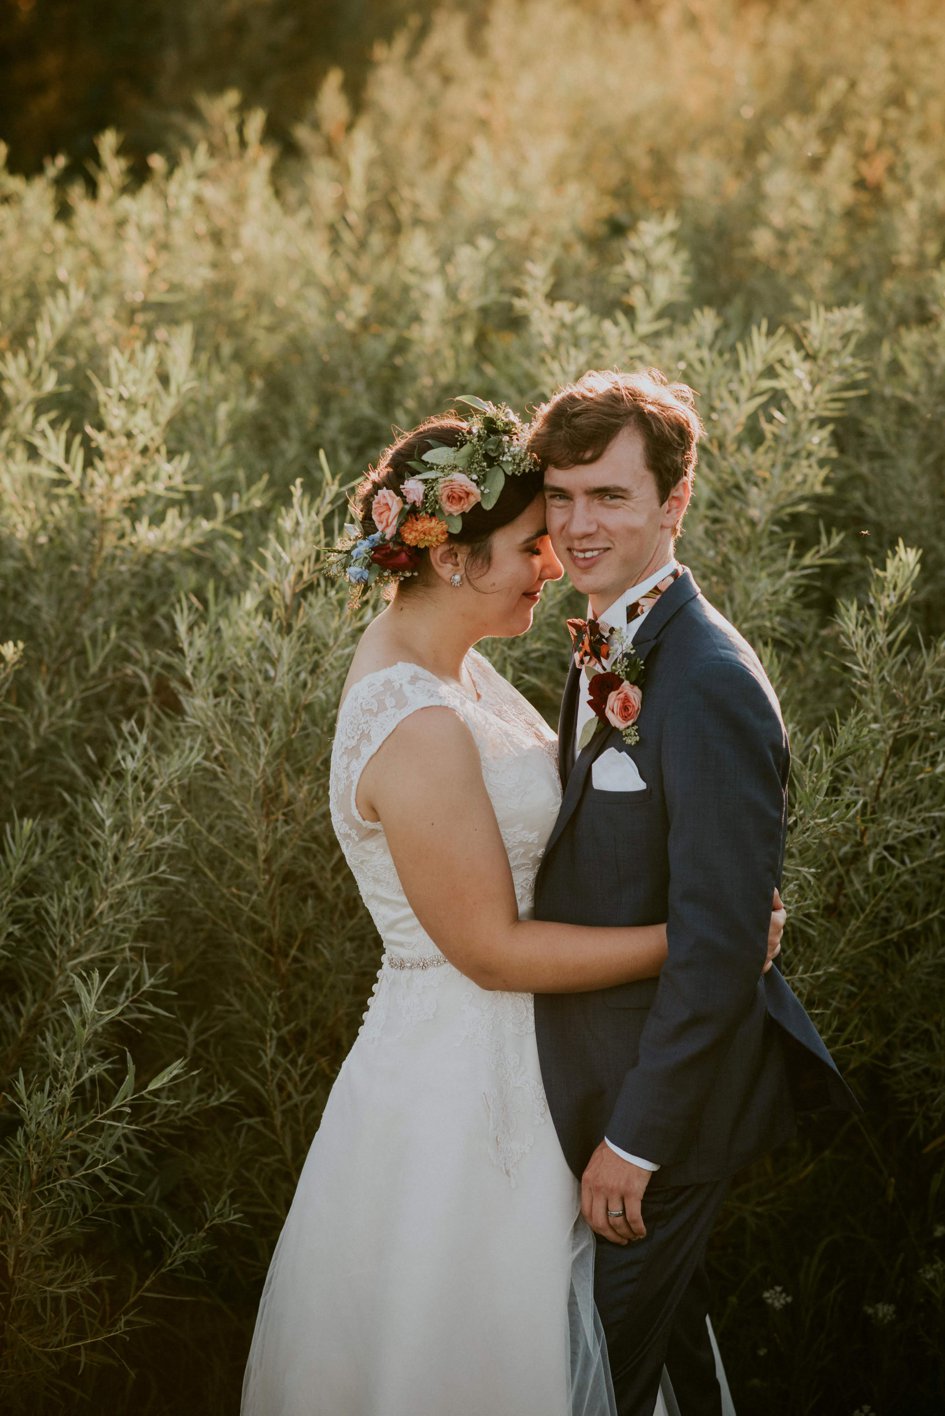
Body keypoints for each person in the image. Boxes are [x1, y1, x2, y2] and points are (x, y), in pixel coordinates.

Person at [241, 400, 786, 1416]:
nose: (554, 561)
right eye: (533, 542)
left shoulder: (467, 675)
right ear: (452, 560)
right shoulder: (416, 722)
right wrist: (698, 943)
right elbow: (489, 949)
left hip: (545, 1069)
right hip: (463, 1090)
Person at [527, 369, 859, 1416]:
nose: (579, 526)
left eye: (610, 497)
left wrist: (636, 1142)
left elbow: (720, 947)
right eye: (563, 496)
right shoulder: (600, 645)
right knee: (641, 1368)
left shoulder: (707, 680)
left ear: (673, 503)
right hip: (588, 1096)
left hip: (659, 1122)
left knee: (595, 1384)